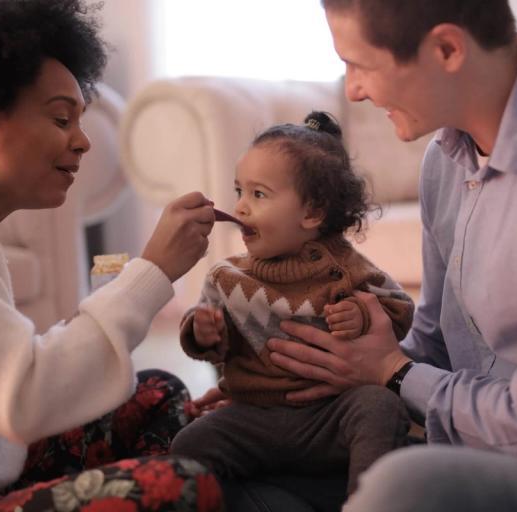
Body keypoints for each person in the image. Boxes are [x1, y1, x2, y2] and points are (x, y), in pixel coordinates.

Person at [265, 1, 517, 511]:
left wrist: (394, 372)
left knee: (404, 489)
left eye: (362, 65)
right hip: (475, 446)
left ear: (447, 49)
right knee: (246, 459)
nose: (352, 89)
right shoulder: (446, 157)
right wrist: (294, 390)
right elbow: (437, 345)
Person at [0, 1, 223, 511]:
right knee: (183, 485)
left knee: (158, 394)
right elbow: (25, 398)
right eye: (61, 118)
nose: (81, 142)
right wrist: (153, 272)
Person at [170, 111, 414, 497]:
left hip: (329, 417)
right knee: (189, 444)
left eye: (259, 194)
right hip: (253, 416)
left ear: (312, 212)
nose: (242, 207)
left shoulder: (347, 269)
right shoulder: (226, 277)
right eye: (239, 192)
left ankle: (364, 502)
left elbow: (399, 309)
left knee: (379, 407)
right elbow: (210, 347)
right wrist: (203, 332)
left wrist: (363, 316)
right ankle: (287, 490)